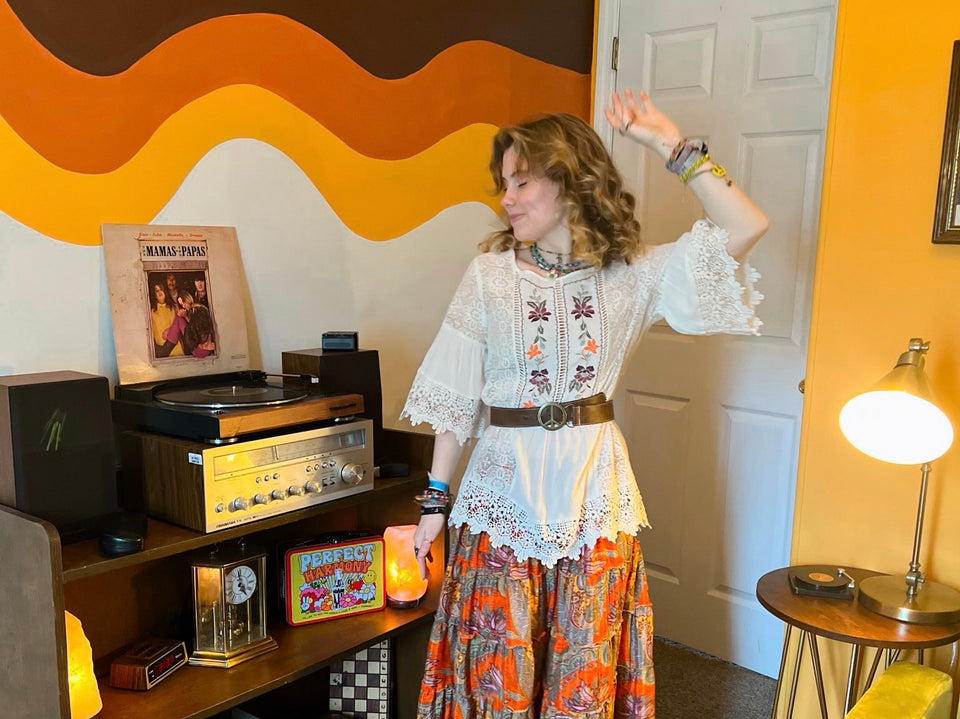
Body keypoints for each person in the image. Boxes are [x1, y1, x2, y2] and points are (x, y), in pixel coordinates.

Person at [400, 88, 769, 719]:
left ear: (571, 185)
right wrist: (435, 503)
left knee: (584, 673)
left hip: (594, 494)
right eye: (503, 185)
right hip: (503, 492)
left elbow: (747, 226)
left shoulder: (634, 273)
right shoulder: (489, 275)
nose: (506, 199)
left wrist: (670, 145)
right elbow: (457, 401)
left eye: (520, 182)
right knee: (498, 670)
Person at [149, 280, 184, 358]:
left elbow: (181, 325)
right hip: (162, 350)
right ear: (154, 294)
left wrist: (170, 330)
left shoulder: (174, 307)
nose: (159, 292)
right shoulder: (151, 311)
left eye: (161, 289)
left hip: (176, 348)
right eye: (156, 290)